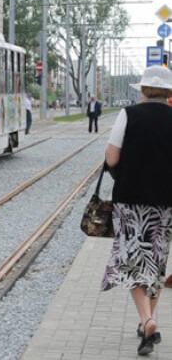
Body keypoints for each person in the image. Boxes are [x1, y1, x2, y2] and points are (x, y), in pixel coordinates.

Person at [101, 65, 172, 356]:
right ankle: (146, 330)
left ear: (143, 89)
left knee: (132, 262)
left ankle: (147, 319)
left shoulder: (128, 114)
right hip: (165, 203)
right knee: (155, 263)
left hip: (130, 202)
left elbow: (112, 158)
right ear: (168, 92)